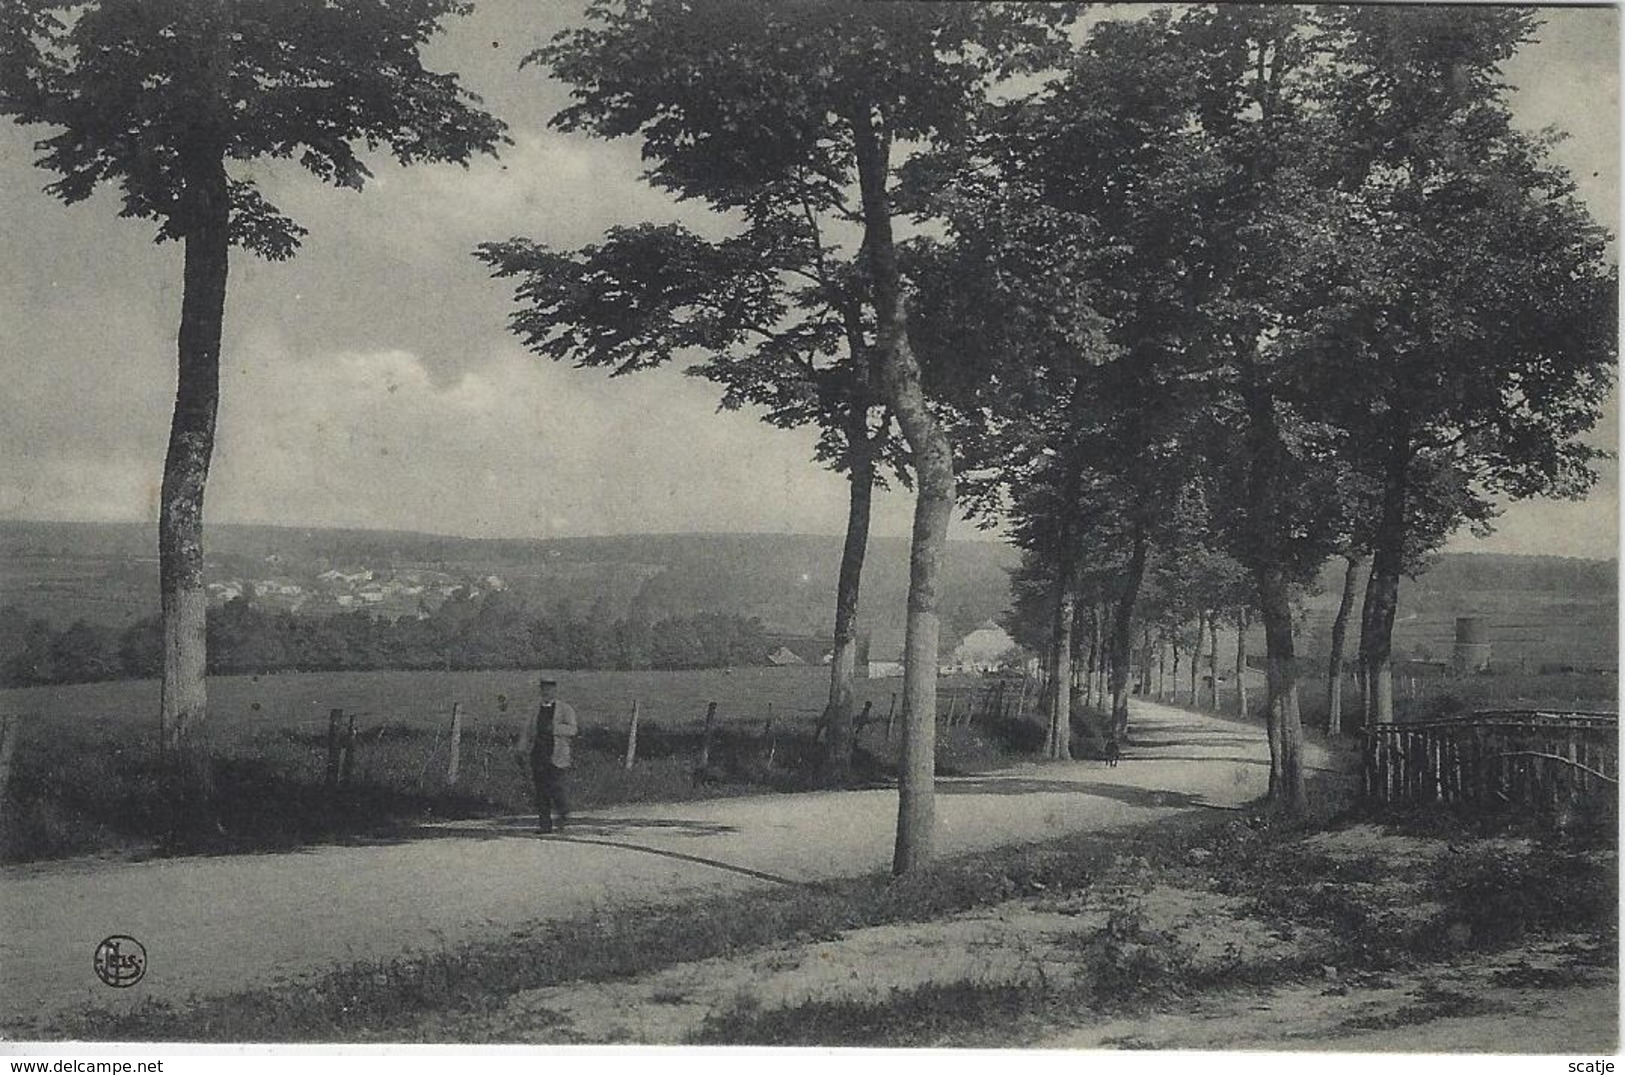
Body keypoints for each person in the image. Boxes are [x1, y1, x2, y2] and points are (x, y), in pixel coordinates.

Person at [515, 677, 579, 833]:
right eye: (544, 689)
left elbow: (573, 730)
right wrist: (521, 749)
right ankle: (545, 825)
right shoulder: (534, 710)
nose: (547, 692)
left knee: (557, 788)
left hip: (557, 755)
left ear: (555, 691)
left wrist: (555, 728)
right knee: (541, 791)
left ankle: (562, 812)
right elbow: (527, 731)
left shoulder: (565, 709)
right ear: (541, 690)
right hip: (538, 754)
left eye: (550, 689)